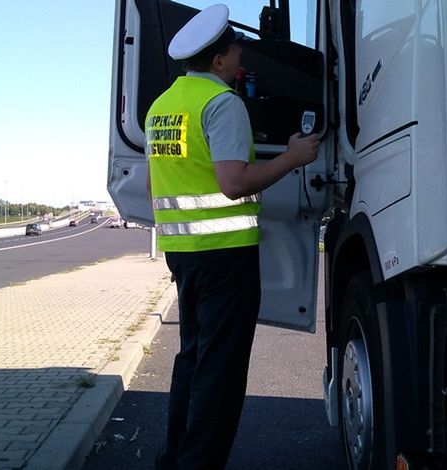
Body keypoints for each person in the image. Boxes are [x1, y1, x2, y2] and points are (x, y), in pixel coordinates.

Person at [145, 4, 320, 469]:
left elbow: (154, 185)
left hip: (182, 253)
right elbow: (234, 183)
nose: (241, 53)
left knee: (192, 361)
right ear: (220, 60)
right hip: (224, 256)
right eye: (236, 47)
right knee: (219, 375)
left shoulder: (162, 107)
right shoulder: (222, 104)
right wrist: (293, 157)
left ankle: (174, 459)